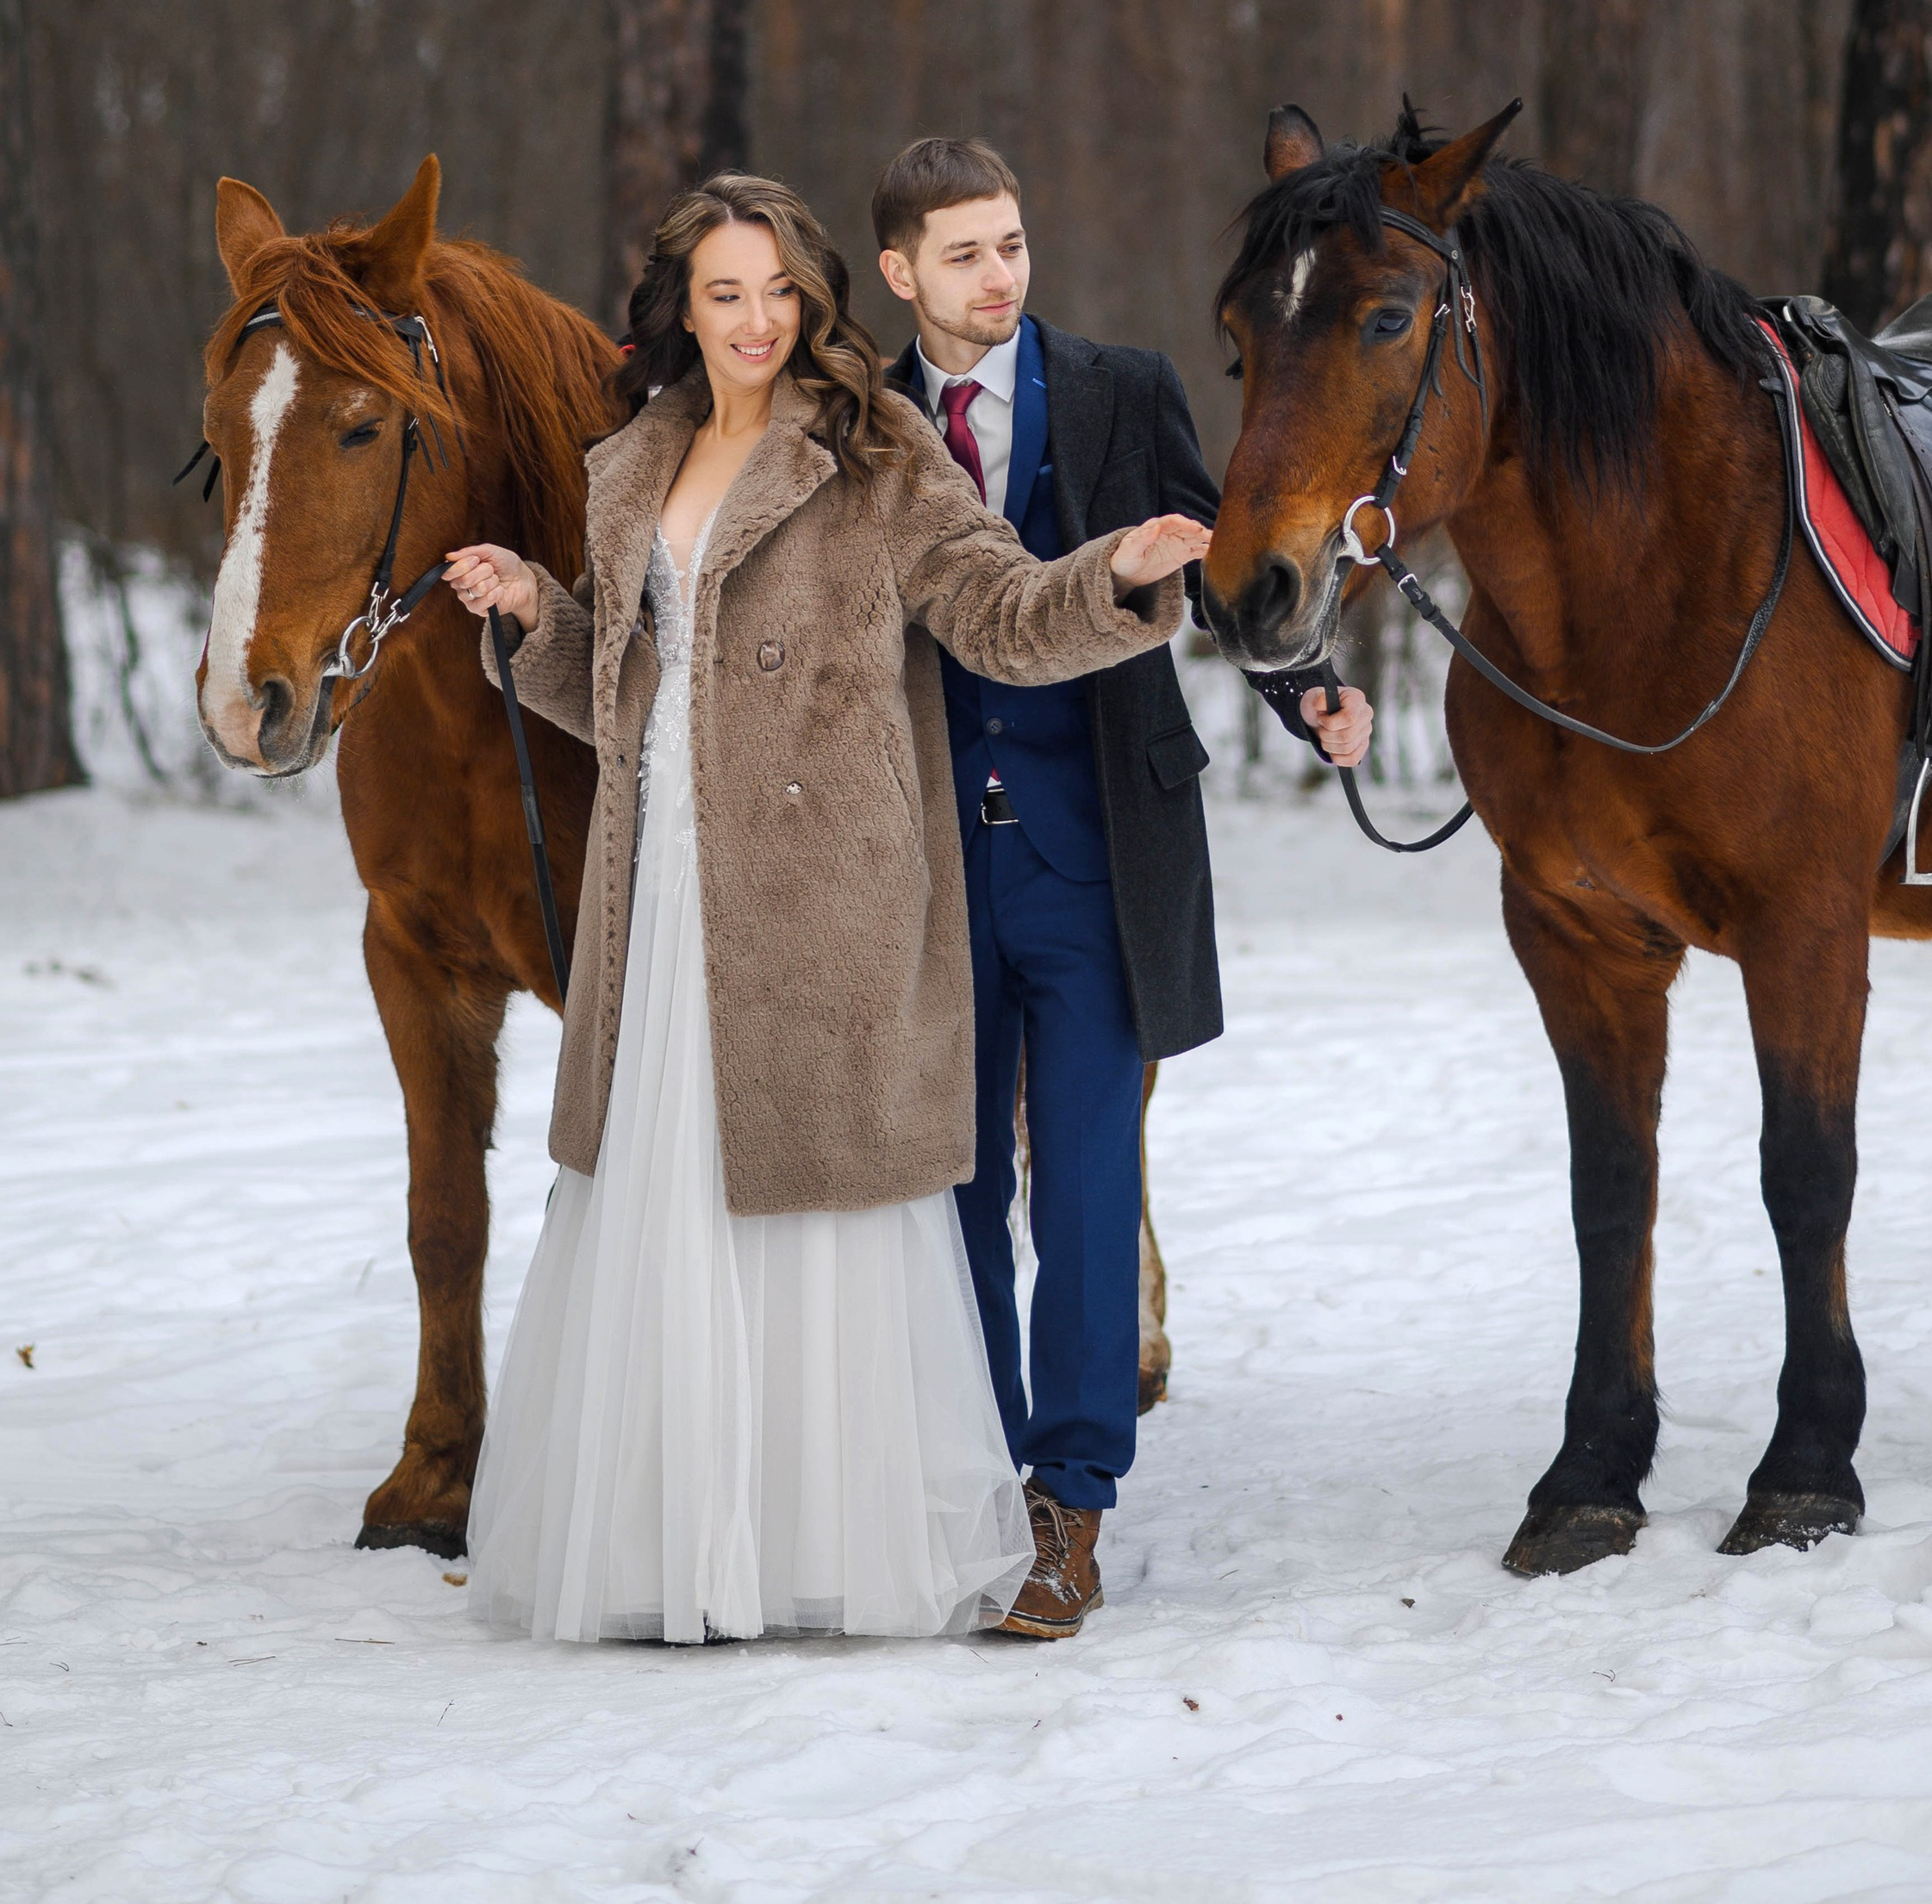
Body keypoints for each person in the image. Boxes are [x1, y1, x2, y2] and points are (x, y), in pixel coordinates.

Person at [439, 171, 1211, 1647]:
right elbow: (625, 688)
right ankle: (680, 1540)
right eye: (724, 294)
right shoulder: (626, 467)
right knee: (672, 1199)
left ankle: (823, 1538)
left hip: (816, 895)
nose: (754, 321)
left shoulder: (872, 450)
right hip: (665, 882)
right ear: (682, 306)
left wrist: (1112, 577)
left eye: (777, 293)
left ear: (815, 299)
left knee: (814, 1218)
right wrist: (540, 617)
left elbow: (994, 608)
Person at [873, 134, 1372, 1640]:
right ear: (900, 273)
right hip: (924, 871)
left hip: (1096, 853)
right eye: (964, 252)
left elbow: (1224, 574)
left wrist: (1308, 693)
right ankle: (963, 1466)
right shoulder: (863, 425)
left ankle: (1070, 1499)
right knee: (952, 1186)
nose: (999, 274)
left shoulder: (1117, 388)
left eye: (1013, 242)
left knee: (1087, 1183)